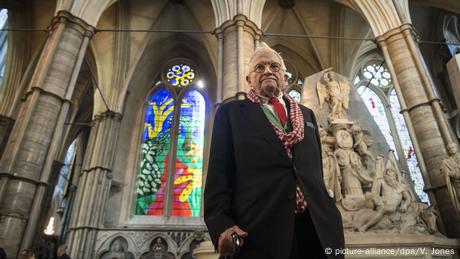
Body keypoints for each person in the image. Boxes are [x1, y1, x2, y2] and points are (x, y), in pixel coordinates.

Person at [204, 43, 344, 259]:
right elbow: (217, 176)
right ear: (249, 79)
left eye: (274, 67)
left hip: (316, 229)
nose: (267, 71)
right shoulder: (231, 113)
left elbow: (314, 170)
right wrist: (222, 225)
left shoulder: (307, 116)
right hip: (260, 231)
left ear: (285, 77)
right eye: (260, 67)